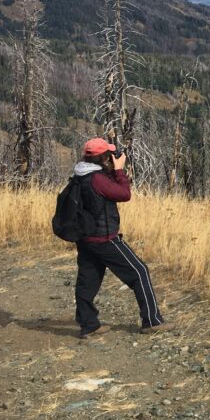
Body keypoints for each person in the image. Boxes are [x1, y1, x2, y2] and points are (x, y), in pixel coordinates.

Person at [72, 137, 167, 338]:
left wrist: (112, 171)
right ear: (104, 156)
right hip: (105, 238)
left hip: (86, 239)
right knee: (139, 272)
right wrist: (119, 170)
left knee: (87, 281)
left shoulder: (81, 173)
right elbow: (124, 194)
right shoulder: (97, 178)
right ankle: (151, 321)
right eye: (109, 154)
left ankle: (88, 325)